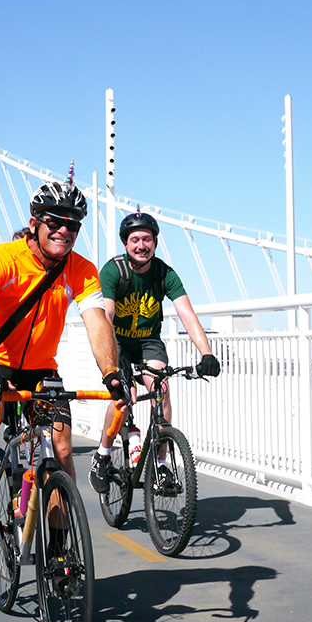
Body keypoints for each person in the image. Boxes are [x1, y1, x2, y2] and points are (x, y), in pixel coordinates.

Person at [0, 175, 129, 535]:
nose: (64, 231)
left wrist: (111, 371)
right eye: (54, 222)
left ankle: (60, 544)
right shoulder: (1, 259)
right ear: (34, 222)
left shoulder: (81, 269)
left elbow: (97, 321)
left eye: (73, 225)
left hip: (42, 372)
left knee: (61, 450)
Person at [88, 208, 221, 492]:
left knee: (162, 389)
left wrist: (206, 353)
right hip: (117, 343)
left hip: (149, 342)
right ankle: (102, 454)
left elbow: (187, 314)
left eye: (147, 239)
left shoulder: (164, 273)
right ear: (125, 244)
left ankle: (160, 465)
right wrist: (113, 361)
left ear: (155, 242)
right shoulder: (113, 271)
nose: (141, 245)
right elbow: (106, 317)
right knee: (123, 399)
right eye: (135, 240)